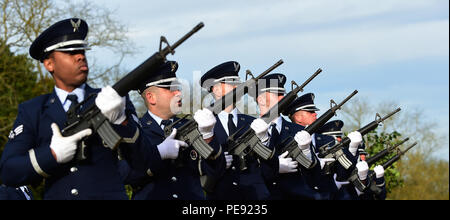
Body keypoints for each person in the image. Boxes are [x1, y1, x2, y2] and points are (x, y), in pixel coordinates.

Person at [0, 18, 157, 199]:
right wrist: (52, 155)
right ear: (49, 64)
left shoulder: (113, 100)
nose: (80, 56)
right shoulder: (33, 110)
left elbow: (144, 162)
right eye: (70, 52)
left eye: (82, 50)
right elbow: (9, 170)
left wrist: (123, 121)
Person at [120, 60, 225, 200]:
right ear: (151, 97)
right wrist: (158, 154)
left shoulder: (192, 127)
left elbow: (216, 172)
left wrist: (208, 135)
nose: (179, 93)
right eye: (171, 88)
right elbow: (126, 175)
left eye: (178, 88)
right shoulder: (136, 132)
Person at [199, 61, 270, 200]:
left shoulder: (253, 123)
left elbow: (266, 165)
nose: (237, 86)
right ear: (216, 89)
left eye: (238, 82)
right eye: (231, 82)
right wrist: (215, 161)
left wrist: (265, 141)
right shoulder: (202, 124)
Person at [250, 73, 320, 200]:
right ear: (260, 99)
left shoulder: (298, 130)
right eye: (277, 94)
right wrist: (274, 167)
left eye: (283, 93)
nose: (283, 97)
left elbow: (314, 174)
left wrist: (307, 152)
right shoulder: (247, 130)